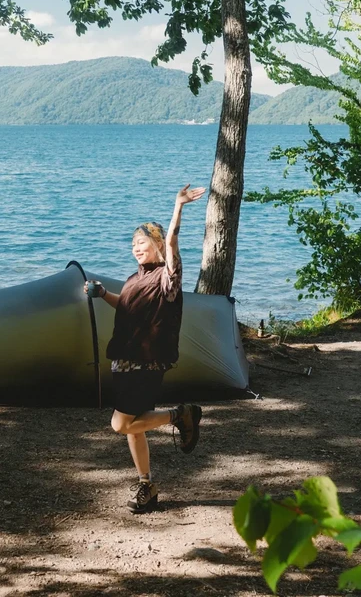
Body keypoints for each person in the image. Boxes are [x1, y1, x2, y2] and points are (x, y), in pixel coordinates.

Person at [84, 183, 206, 514]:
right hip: (123, 360)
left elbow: (173, 242)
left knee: (120, 424)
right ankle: (147, 486)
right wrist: (101, 293)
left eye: (143, 243)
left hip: (147, 362)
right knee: (133, 428)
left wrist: (178, 207)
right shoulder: (132, 279)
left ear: (156, 246)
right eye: (134, 244)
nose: (137, 248)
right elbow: (125, 306)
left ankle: (180, 415)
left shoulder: (168, 278)